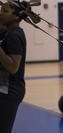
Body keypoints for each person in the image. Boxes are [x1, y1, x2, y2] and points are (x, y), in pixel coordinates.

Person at [0, 2, 26, 133]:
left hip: (9, 92)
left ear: (16, 17)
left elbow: (13, 67)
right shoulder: (7, 32)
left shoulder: (15, 35)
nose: (0, 13)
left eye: (4, 11)